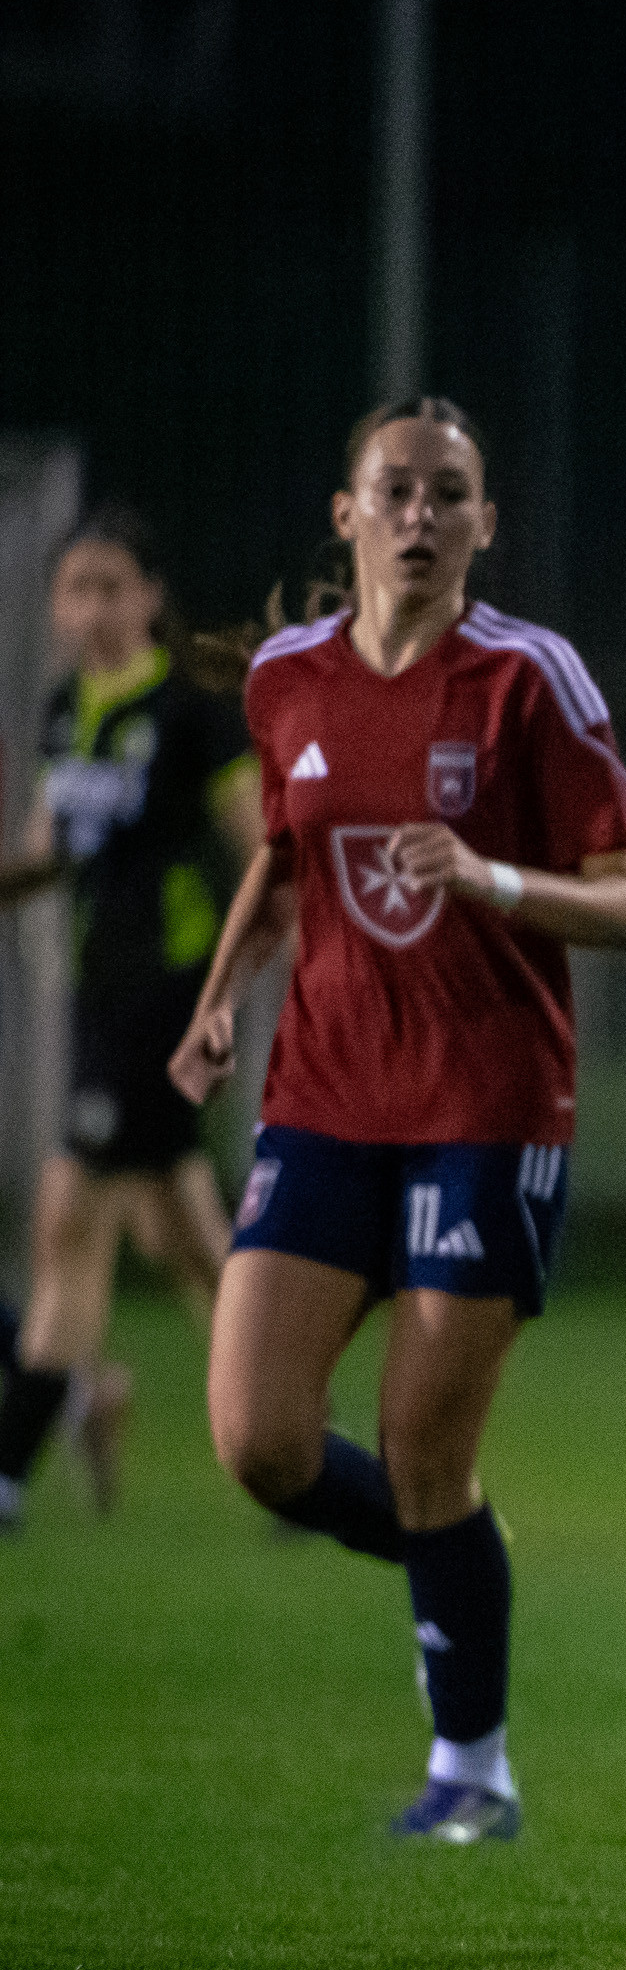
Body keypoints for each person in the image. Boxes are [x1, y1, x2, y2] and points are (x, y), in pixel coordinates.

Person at [170, 397, 626, 1842]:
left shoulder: (528, 680)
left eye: (449, 494)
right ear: (347, 515)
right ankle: (460, 1559)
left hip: (485, 1109)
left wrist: (492, 880)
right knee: (258, 1439)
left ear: (484, 524)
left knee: (424, 1449)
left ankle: (473, 1773)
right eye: (395, 490)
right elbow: (283, 858)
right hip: (323, 1098)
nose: (420, 516)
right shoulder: (288, 679)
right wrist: (218, 996)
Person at [0, 509, 258, 1525]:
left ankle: (10, 1465)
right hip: (96, 995)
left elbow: (262, 852)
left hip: (166, 996)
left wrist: (228, 991)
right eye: (77, 589)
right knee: (182, 1237)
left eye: (113, 586)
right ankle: (290, 1424)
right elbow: (48, 854)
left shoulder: (191, 712)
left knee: (70, 1218)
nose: (94, 608)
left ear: (151, 597)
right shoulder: (67, 709)